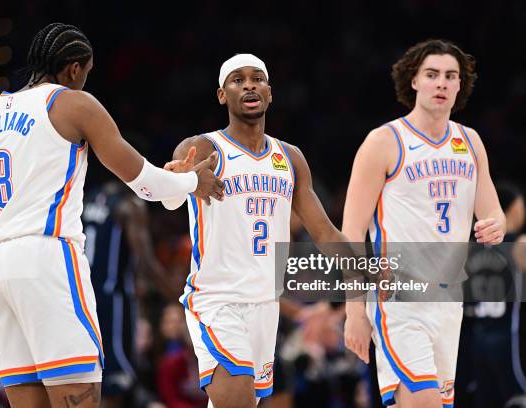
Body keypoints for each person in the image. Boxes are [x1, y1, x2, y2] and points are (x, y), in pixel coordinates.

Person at [0, 22, 222, 408]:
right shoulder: (71, 103)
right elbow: (143, 183)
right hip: (48, 259)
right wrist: (191, 184)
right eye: (87, 72)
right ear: (74, 68)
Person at [162, 53, 349, 408]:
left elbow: (324, 233)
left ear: (269, 92)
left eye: (257, 78)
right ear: (222, 95)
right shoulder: (202, 148)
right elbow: (169, 201)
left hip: (266, 304)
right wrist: (175, 180)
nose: (249, 84)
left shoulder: (289, 157)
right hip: (218, 300)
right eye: (237, 79)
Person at [342, 39, 506, 408]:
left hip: (449, 299)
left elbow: (493, 212)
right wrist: (355, 309)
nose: (442, 83)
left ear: (461, 85)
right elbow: (349, 233)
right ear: (414, 81)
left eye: (451, 76)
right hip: (397, 297)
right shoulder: (383, 141)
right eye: (432, 75)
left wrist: (496, 226)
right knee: (425, 403)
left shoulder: (470, 141)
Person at [82, 180, 173, 407]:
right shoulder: (129, 205)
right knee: (115, 380)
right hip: (113, 299)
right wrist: (179, 296)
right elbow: (145, 262)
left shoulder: (89, 198)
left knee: (90, 376)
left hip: (81, 296)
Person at [461, 181, 526, 407]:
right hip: (508, 337)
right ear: (514, 208)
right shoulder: (518, 243)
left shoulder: (469, 247)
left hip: (478, 339)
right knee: (516, 400)